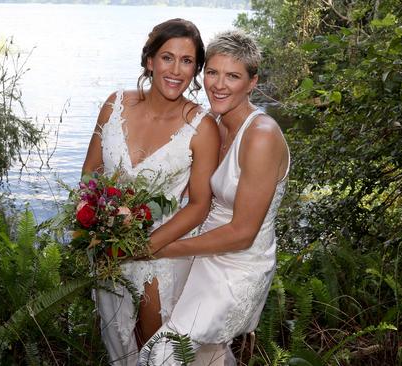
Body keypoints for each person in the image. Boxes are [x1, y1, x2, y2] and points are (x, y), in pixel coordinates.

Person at [139, 30, 290, 365]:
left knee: (164, 353)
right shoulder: (215, 125)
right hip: (203, 249)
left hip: (238, 265)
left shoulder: (261, 136)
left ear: (252, 82)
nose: (219, 85)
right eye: (212, 73)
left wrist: (160, 246)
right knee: (205, 355)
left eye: (233, 76)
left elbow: (242, 233)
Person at [81, 18, 219, 365]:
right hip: (109, 251)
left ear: (196, 70)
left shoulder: (201, 127)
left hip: (161, 255)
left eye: (187, 61)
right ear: (149, 61)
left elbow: (199, 205)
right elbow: (90, 175)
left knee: (155, 352)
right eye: (167, 57)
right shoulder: (114, 105)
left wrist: (145, 249)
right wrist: (98, 228)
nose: (176, 70)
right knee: (118, 344)